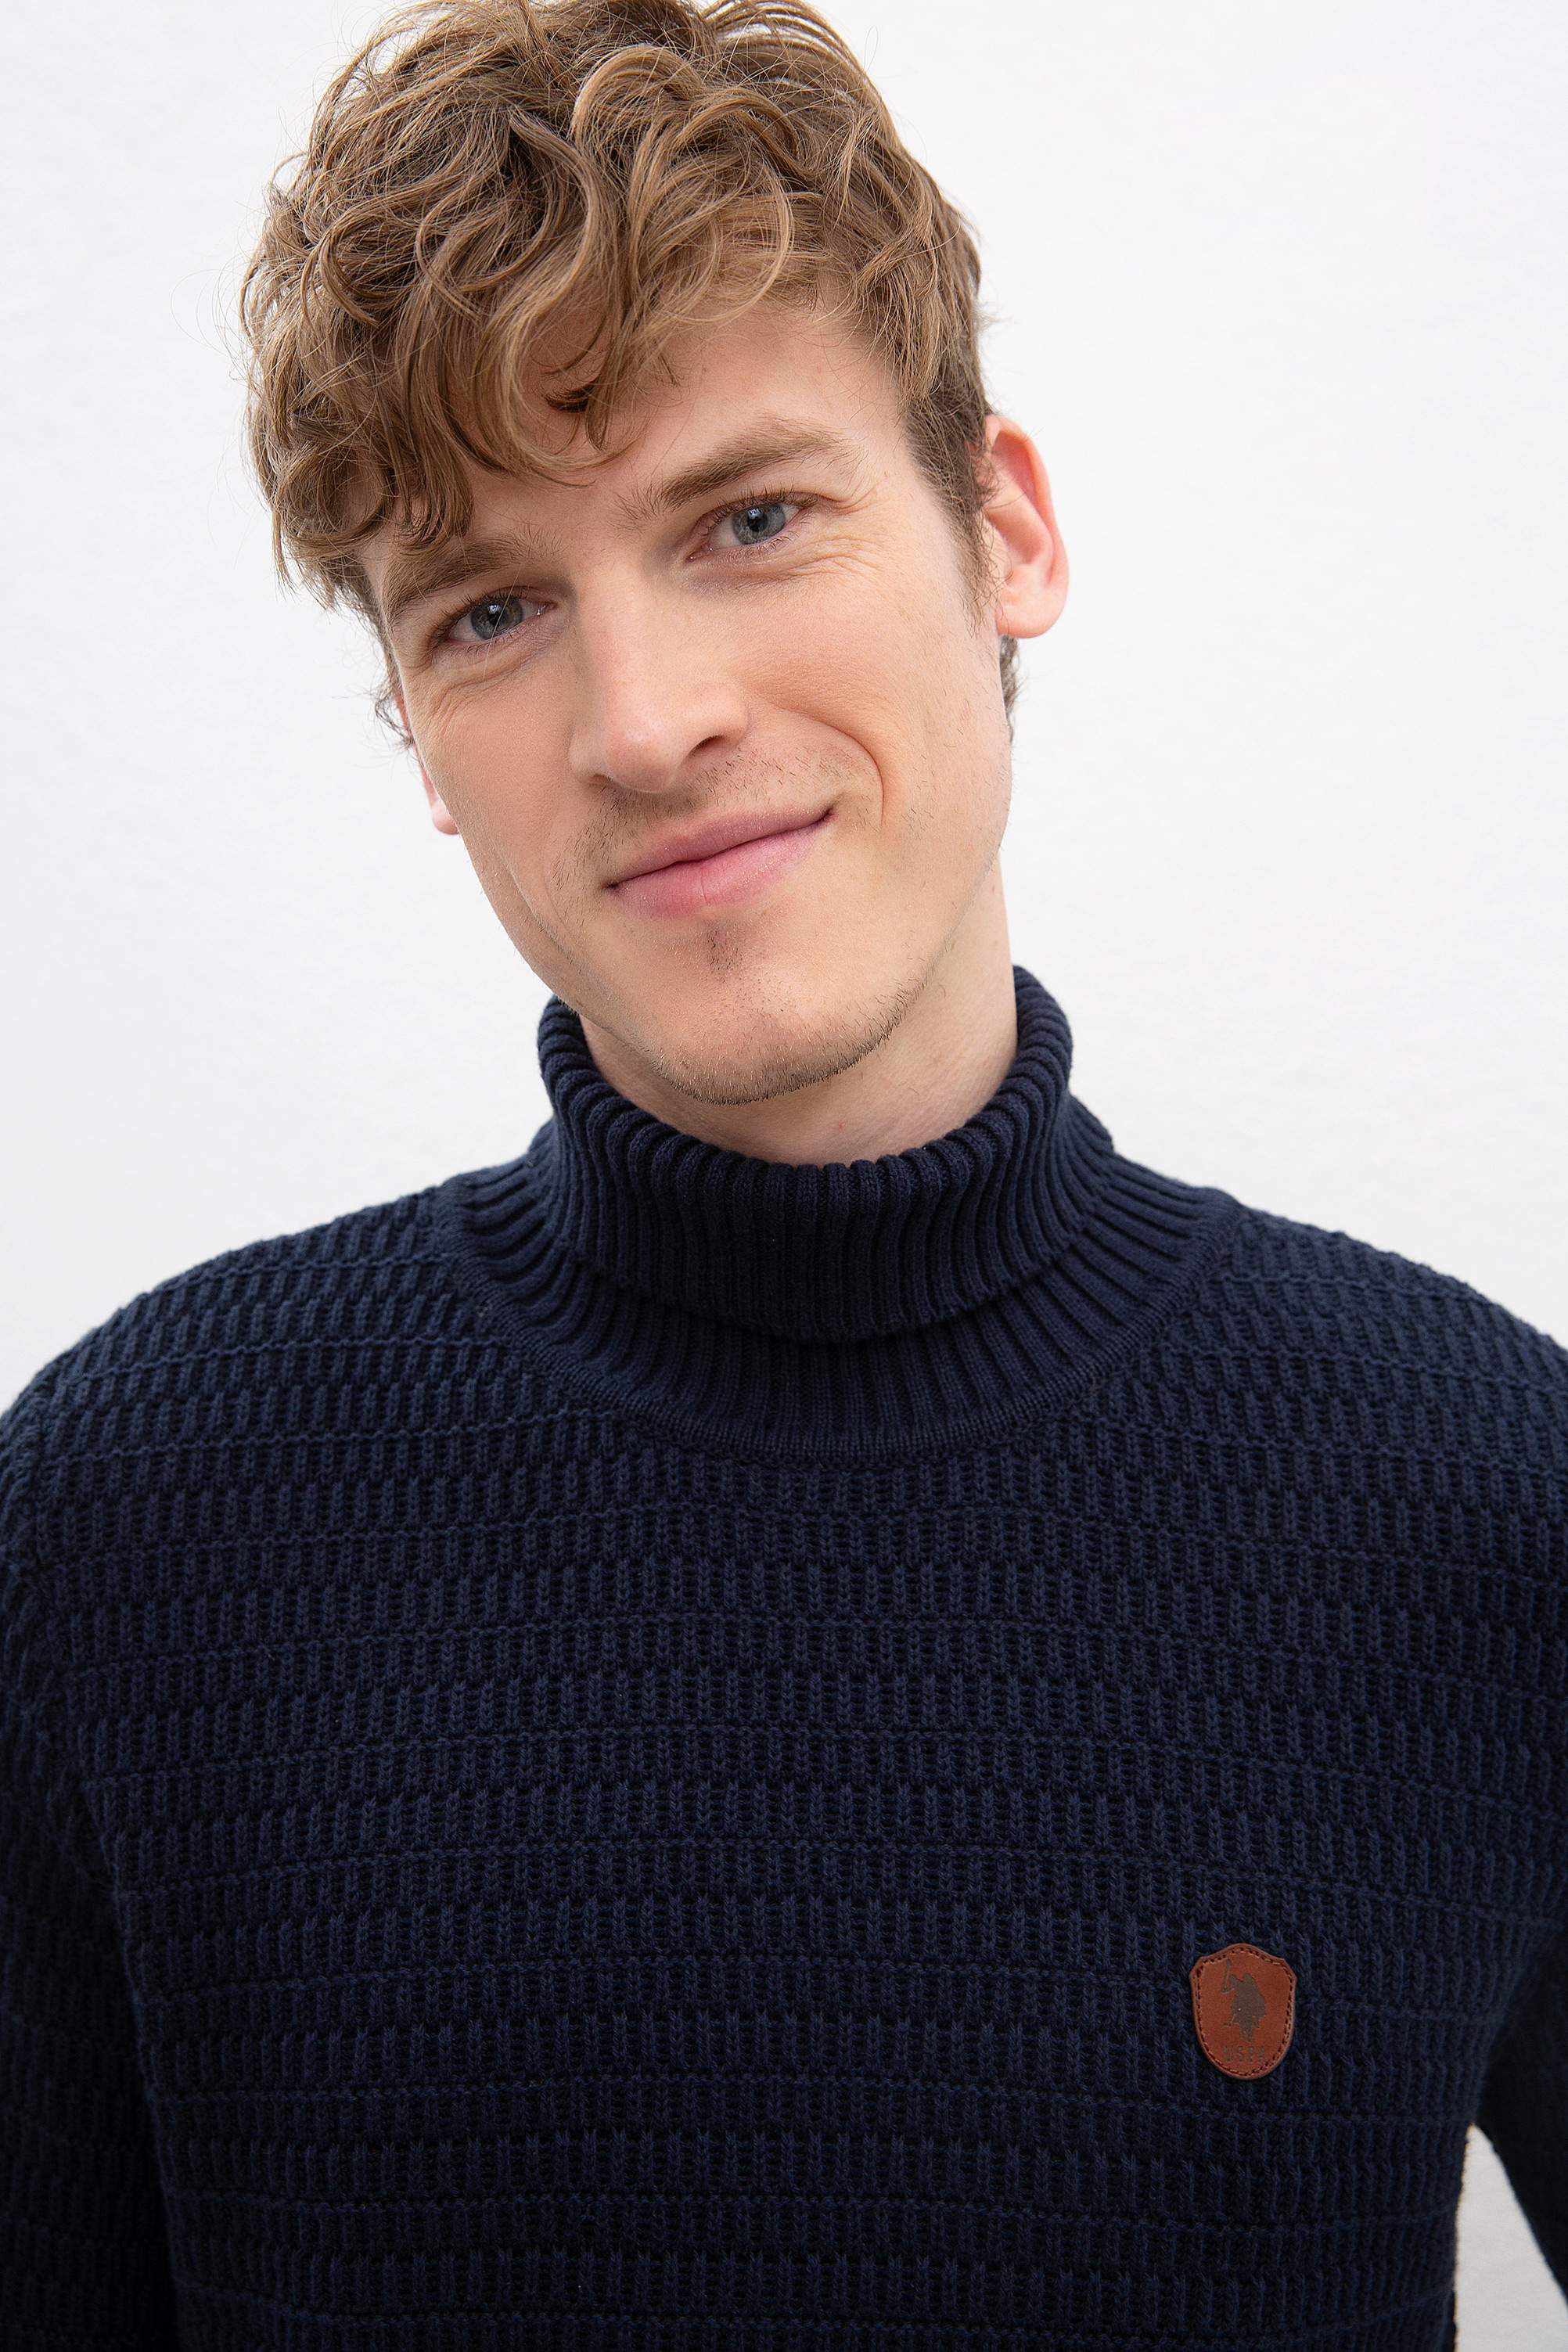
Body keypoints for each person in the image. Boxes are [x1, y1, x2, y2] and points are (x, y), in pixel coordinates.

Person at [1, 0, 1563, 2343]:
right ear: (421, 730)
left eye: (748, 519)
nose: (647, 724)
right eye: (491, 610)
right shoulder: (118, 1537)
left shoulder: (1481, 1501)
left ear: (1003, 529)